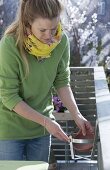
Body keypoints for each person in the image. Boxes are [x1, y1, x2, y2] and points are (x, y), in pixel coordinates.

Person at [0, 0, 93, 162]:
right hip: (9, 131)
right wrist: (46, 122)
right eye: (42, 30)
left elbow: (62, 82)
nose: (50, 36)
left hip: (41, 131)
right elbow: (9, 97)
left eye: (53, 28)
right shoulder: (10, 45)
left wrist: (77, 115)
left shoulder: (61, 41)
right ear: (27, 24)